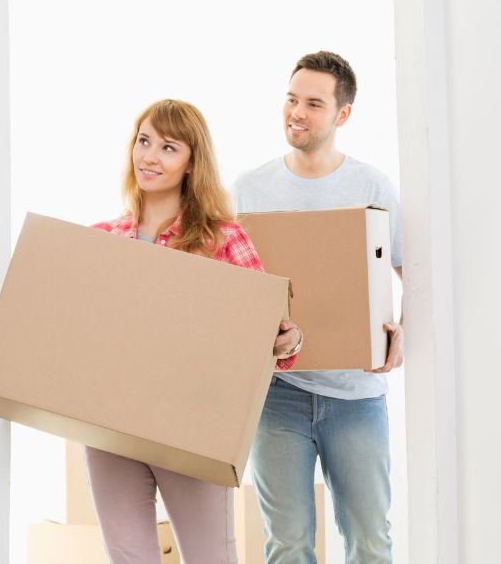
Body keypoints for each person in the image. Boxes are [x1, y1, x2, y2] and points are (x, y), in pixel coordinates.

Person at [86, 99, 302, 564]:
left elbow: (269, 337)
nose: (150, 156)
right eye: (144, 141)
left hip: (193, 426)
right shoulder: (100, 240)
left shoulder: (222, 240)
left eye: (168, 148)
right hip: (112, 428)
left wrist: (287, 339)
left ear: (190, 163)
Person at [237, 51, 403, 564]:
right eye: (291, 98)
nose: (297, 112)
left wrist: (404, 334)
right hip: (277, 395)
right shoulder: (249, 189)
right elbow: (233, 284)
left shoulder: (372, 187)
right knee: (287, 547)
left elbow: (411, 272)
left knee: (370, 541)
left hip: (356, 393)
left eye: (313, 103)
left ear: (342, 115)